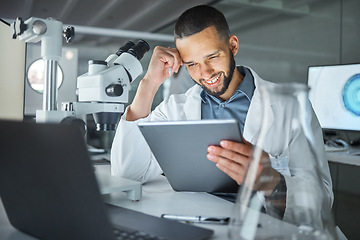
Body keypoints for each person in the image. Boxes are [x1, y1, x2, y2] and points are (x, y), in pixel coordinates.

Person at [111, 5, 333, 222]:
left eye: (212, 57)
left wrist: (272, 182)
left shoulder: (291, 107)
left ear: (233, 45)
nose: (204, 73)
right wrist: (149, 83)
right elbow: (128, 172)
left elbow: (323, 199)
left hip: (265, 229)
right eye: (192, 64)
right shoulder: (175, 109)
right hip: (201, 225)